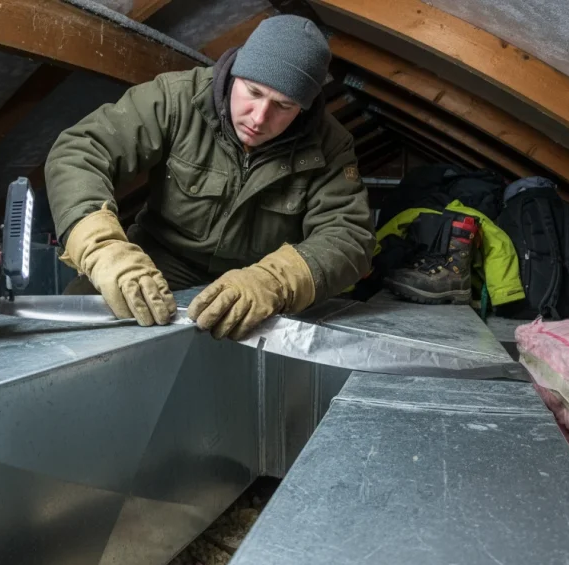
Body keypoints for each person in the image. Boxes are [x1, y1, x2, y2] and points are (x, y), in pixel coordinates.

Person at [44, 15, 375, 340]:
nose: (259, 118)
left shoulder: (330, 144)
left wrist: (273, 282)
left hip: (257, 281)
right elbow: (80, 151)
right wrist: (103, 249)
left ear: (304, 108)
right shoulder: (176, 98)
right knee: (75, 325)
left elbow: (349, 235)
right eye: (253, 92)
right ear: (235, 73)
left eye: (283, 106)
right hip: (160, 261)